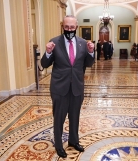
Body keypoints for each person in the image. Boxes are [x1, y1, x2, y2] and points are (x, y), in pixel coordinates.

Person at [41, 15, 94, 158]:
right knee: (59, 117)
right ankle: (58, 145)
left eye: (72, 27)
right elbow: (44, 64)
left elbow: (88, 64)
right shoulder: (54, 42)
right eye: (66, 27)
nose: (69, 29)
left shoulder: (83, 43)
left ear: (76, 27)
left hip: (77, 86)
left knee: (75, 116)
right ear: (62, 26)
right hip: (59, 87)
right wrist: (48, 52)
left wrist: (90, 52)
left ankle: (73, 141)